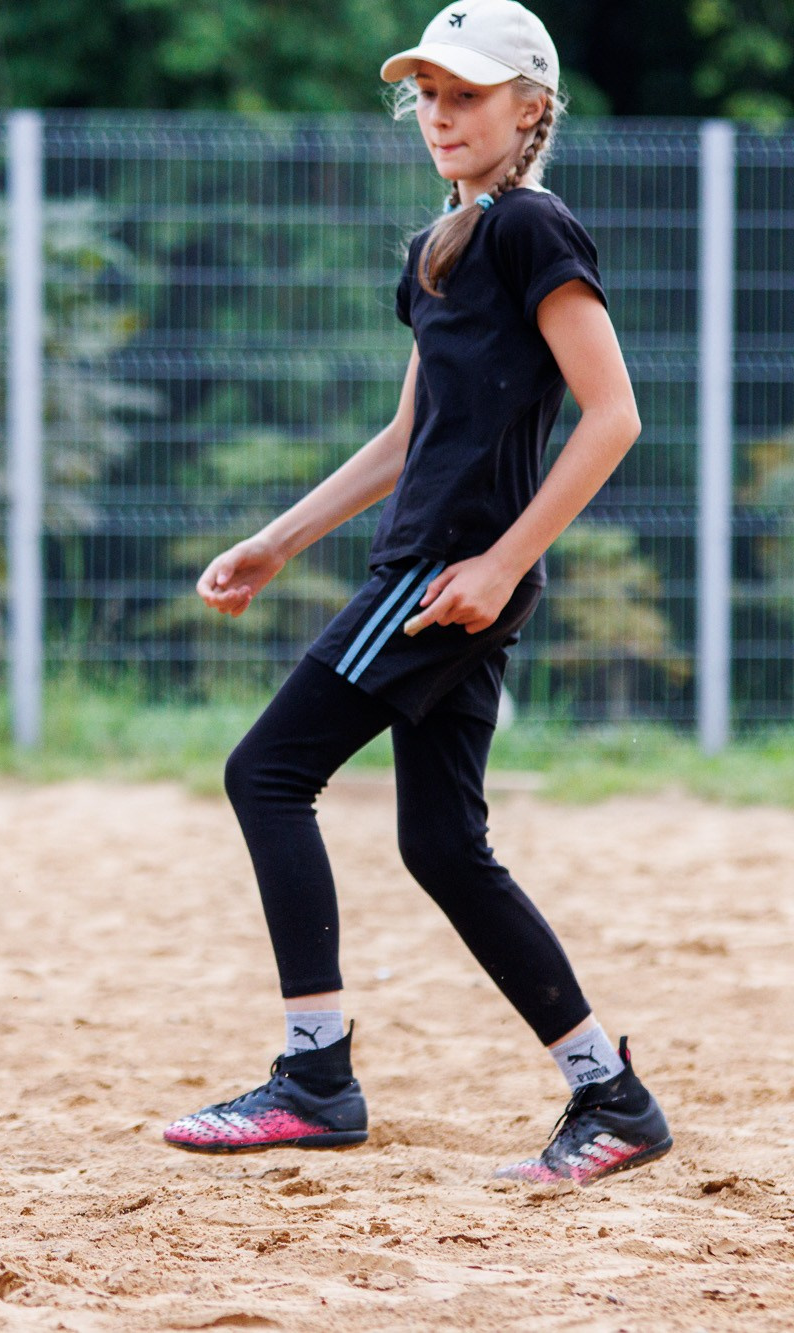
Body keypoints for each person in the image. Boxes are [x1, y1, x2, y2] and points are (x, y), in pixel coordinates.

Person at [161, 0, 671, 1185]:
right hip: (439, 574)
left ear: (527, 110)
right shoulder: (442, 243)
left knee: (265, 773)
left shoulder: (530, 229)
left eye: (468, 95)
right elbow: (406, 433)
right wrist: (276, 541)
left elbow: (613, 415)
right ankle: (610, 1095)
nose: (440, 114)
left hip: (443, 579)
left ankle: (314, 1076)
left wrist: (498, 565)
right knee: (442, 842)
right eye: (427, 95)